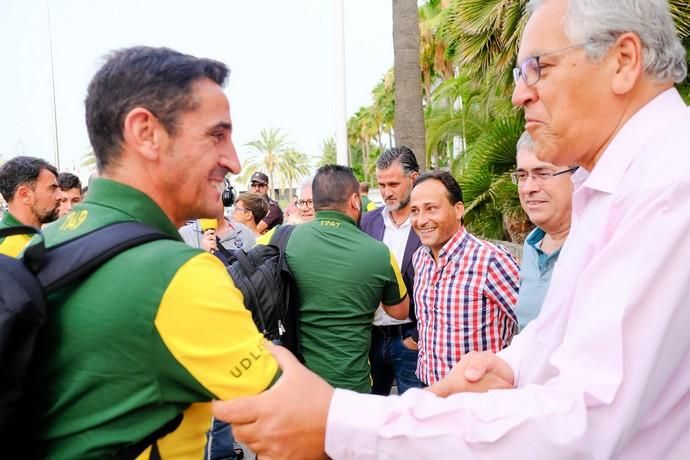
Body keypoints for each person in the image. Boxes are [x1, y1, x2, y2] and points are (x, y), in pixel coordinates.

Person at [212, 0, 690, 458]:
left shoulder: (669, 187)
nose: (519, 92)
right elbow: (557, 333)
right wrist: (510, 364)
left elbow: (586, 418)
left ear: (622, 61)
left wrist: (337, 422)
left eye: (536, 68)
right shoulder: (618, 187)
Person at [27, 46, 279, 459]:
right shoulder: (179, 275)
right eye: (217, 134)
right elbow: (303, 426)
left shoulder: (44, 245)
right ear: (145, 133)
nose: (233, 161)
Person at [285, 164, 409, 392]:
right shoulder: (379, 252)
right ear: (355, 200)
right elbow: (399, 311)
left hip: (299, 385)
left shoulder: (285, 239)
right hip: (353, 388)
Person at [410, 170, 519, 385]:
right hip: (430, 390)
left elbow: (536, 328)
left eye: (431, 208)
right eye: (414, 211)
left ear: (458, 209)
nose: (421, 220)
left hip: (478, 399)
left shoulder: (491, 260)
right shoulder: (420, 259)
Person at [360, 146, 424, 395]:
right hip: (372, 339)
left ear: (413, 178)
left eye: (393, 184)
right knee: (370, 419)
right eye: (382, 185)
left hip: (411, 339)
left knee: (416, 419)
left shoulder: (428, 223)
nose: (386, 192)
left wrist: (416, 338)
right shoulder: (367, 222)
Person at [511, 131, 575, 330]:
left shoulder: (599, 243)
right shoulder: (532, 244)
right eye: (522, 176)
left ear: (578, 175)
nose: (528, 187)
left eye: (543, 173)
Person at [0, 156, 59, 257]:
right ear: (25, 195)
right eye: (52, 189)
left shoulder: (34, 237)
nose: (60, 196)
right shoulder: (5, 249)